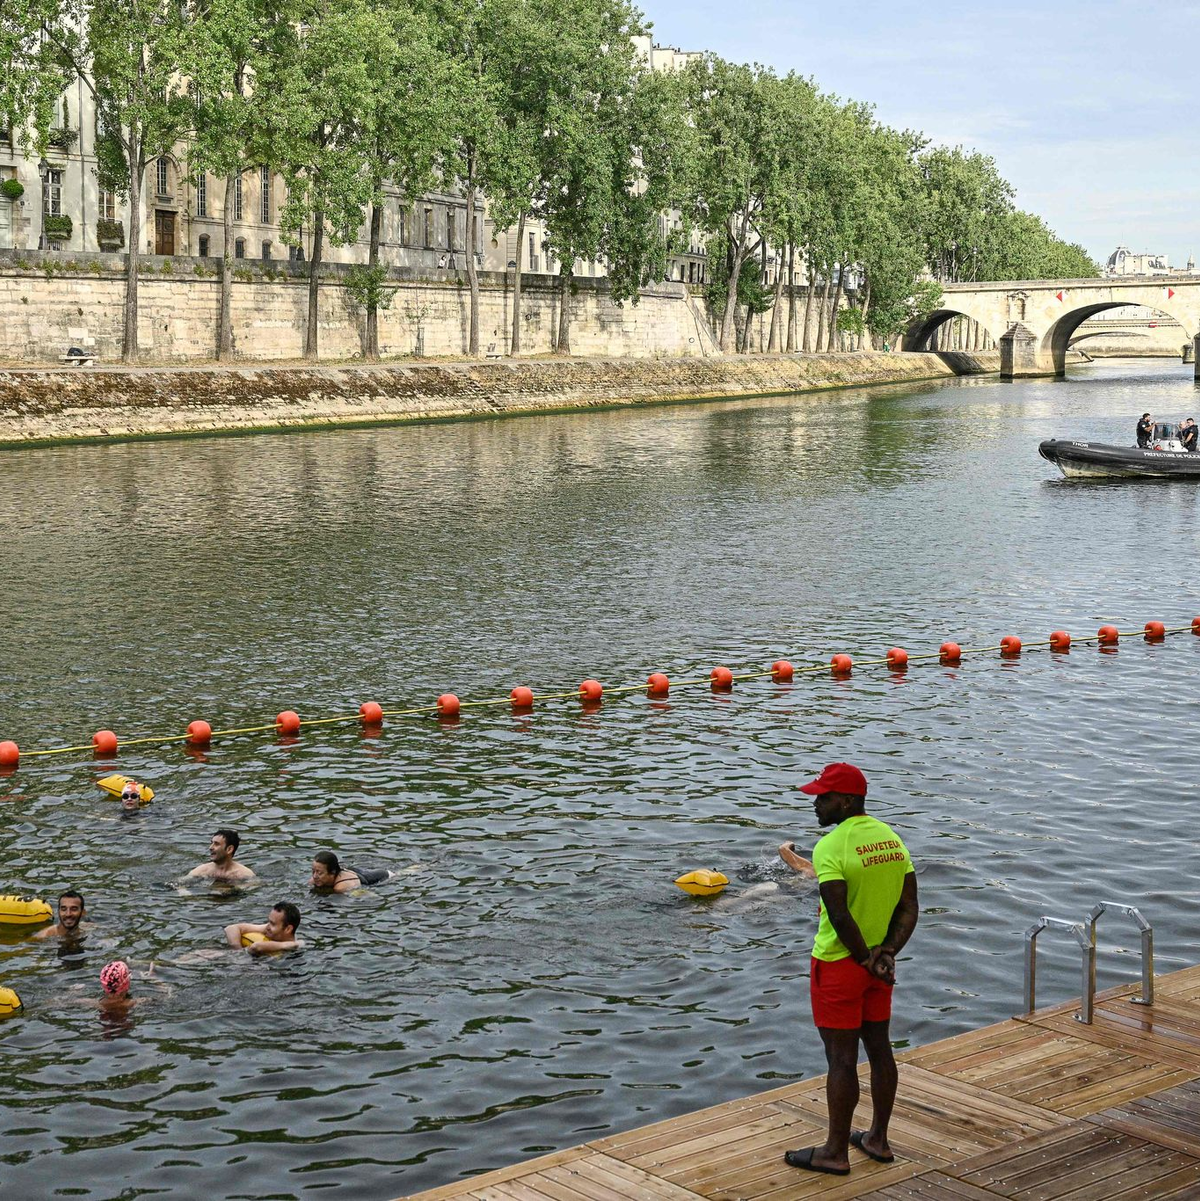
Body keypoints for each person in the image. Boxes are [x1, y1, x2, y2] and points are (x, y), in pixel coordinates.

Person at [783, 763, 919, 1177]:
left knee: (840, 1059)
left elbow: (839, 916)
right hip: (880, 966)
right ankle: (877, 1138)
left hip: (841, 964)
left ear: (848, 800)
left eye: (823, 797)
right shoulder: (891, 839)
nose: (816, 804)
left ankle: (835, 1152)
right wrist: (886, 954)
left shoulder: (831, 846)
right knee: (879, 1049)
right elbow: (909, 906)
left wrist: (862, 958)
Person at [224, 902, 302, 955]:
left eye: (273, 924)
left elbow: (256, 947)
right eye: (269, 922)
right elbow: (231, 928)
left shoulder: (294, 948)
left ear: (288, 929)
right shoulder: (268, 928)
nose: (268, 927)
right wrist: (238, 951)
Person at [187, 830, 255, 882]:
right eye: (211, 843)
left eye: (216, 844)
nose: (210, 847)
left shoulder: (244, 874)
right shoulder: (202, 870)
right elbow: (180, 883)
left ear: (229, 849)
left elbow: (253, 886)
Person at [310, 851, 391, 893]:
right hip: (352, 871)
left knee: (397, 874)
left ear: (332, 872)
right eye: (313, 871)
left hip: (378, 876)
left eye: (319, 873)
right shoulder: (315, 878)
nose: (315, 876)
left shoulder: (341, 887)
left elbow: (369, 896)